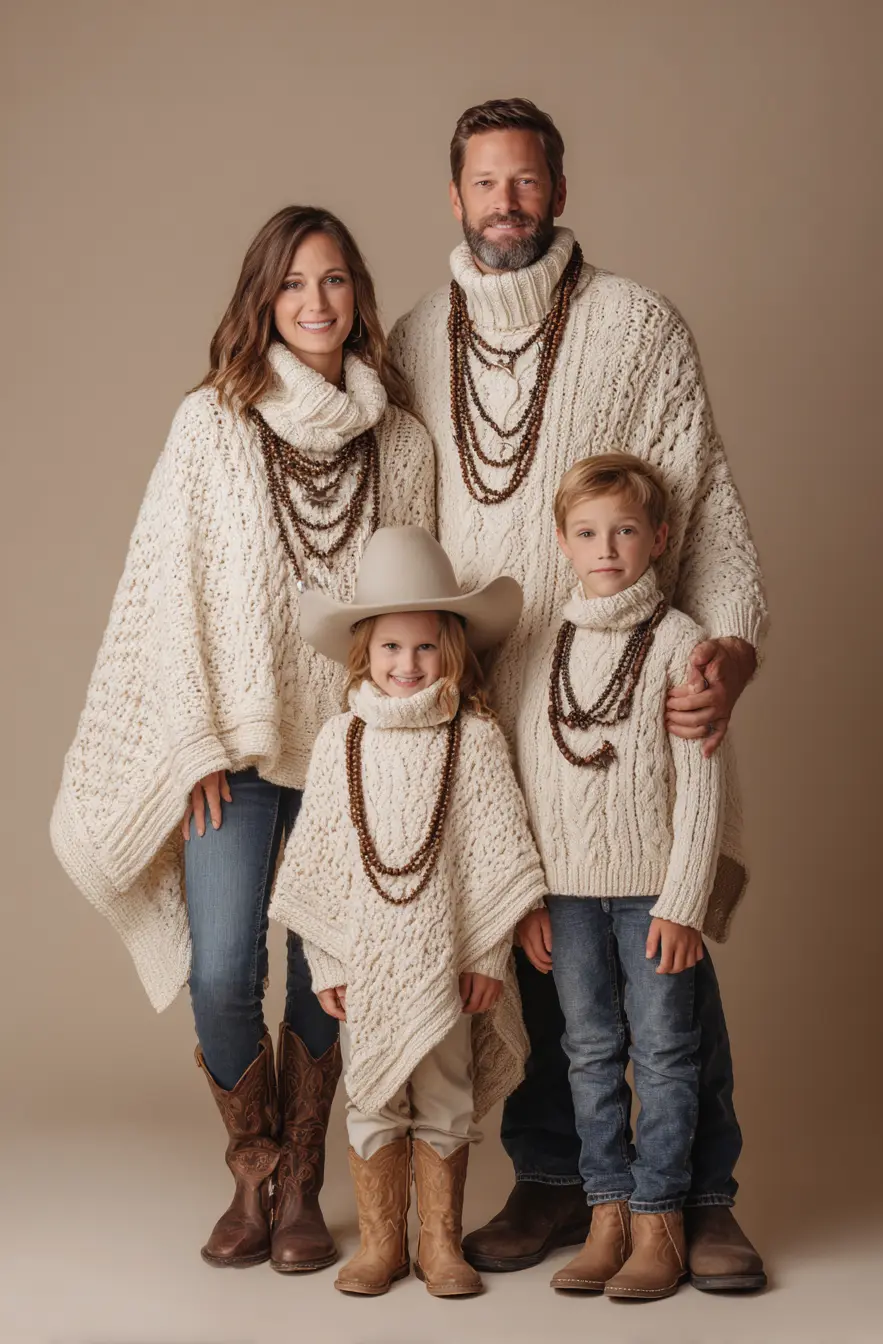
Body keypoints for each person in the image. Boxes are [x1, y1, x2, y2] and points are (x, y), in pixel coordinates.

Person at [388, 97, 768, 1289]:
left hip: (634, 685)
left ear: (558, 191)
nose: (506, 203)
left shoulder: (635, 325)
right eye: (485, 183)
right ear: (453, 198)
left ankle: (698, 1199)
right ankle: (559, 1178)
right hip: (494, 709)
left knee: (664, 956)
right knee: (545, 959)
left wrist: (726, 660)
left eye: (527, 182)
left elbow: (700, 509)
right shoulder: (409, 338)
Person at [50, 206, 435, 1273]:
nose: (316, 303)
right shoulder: (213, 423)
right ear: (262, 301)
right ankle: (253, 1164)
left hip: (353, 753)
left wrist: (394, 743)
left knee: (324, 972)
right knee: (224, 972)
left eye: (335, 282)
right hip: (234, 748)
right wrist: (188, 747)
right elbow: (166, 594)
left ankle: (300, 1183)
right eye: (294, 285)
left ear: (358, 294)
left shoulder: (399, 442)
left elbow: (409, 605)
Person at [269, 525, 547, 1298]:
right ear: (365, 650)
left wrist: (488, 954)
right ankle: (381, 1243)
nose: (408, 664)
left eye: (425, 648)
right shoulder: (340, 742)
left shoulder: (476, 739)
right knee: (372, 1093)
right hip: (365, 961)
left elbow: (496, 850)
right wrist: (328, 960)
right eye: (391, 648)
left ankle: (441, 1242)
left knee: (446, 1092)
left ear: (452, 650)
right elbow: (319, 863)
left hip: (448, 958)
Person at [516, 453, 746, 1300]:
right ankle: (604, 1210)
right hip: (567, 896)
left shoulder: (683, 642)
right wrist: (526, 900)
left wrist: (684, 900)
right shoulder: (543, 643)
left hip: (653, 891)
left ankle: (661, 1220)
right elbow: (523, 782)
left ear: (658, 539)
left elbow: (701, 786)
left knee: (666, 1052)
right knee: (585, 1050)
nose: (605, 546)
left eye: (623, 530)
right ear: (563, 544)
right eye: (586, 532)